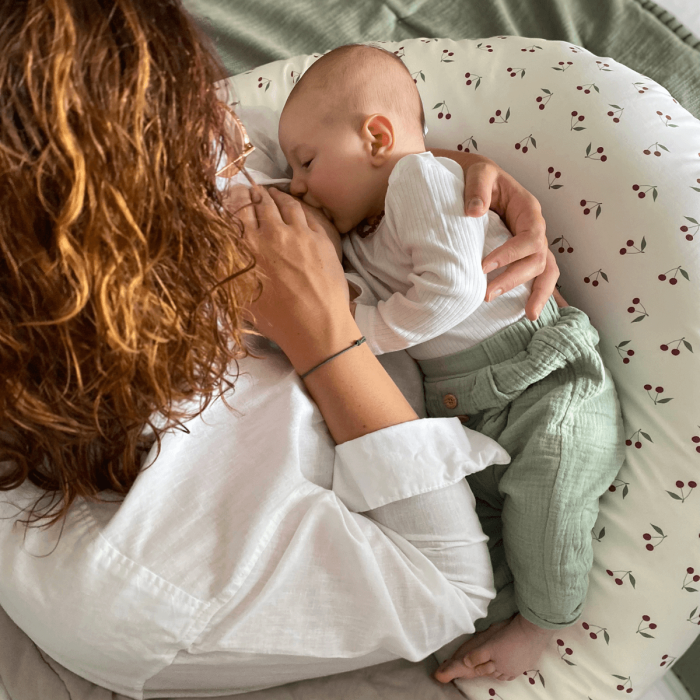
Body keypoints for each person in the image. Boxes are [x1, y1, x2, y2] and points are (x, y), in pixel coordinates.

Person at [0, 1, 560, 697]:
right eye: (180, 129)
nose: (228, 130)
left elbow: (337, 132)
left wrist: (438, 181)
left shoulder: (190, 163)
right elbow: (447, 587)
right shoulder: (127, 578)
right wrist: (328, 338)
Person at [277, 42, 625, 683]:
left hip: (543, 379)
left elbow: (453, 290)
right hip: (470, 404)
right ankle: (486, 621)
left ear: (376, 136)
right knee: (485, 527)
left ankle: (546, 623)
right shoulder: (364, 231)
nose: (298, 181)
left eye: (306, 161)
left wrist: (360, 333)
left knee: (549, 489)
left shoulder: (420, 181)